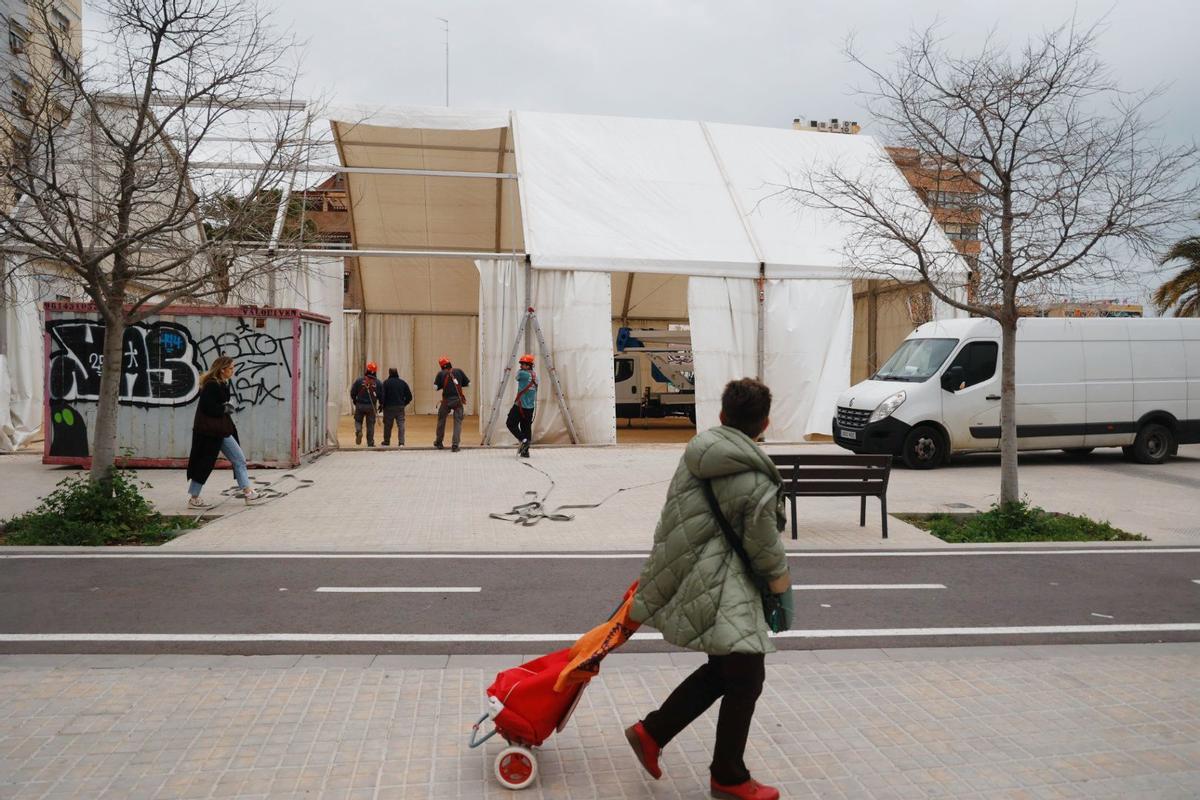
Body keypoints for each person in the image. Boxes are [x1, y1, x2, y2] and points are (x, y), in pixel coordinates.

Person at [623, 378, 794, 800]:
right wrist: (781, 589)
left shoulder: (698, 454)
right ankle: (728, 776)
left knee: (728, 671)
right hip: (727, 585)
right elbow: (764, 546)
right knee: (747, 673)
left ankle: (653, 732)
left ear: (721, 417)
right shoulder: (754, 477)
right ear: (765, 423)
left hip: (695, 575)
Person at [186, 356, 261, 507]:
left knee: (238, 459)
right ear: (222, 369)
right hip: (210, 432)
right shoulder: (212, 385)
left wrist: (225, 407)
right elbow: (208, 408)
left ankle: (248, 492)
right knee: (204, 463)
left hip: (221, 430)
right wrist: (225, 408)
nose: (233, 371)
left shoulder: (221, 384)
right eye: (231, 368)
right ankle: (194, 498)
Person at [433, 356, 470, 452]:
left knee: (441, 420)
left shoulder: (440, 374)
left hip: (446, 401)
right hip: (458, 401)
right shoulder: (459, 371)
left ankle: (439, 442)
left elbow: (435, 387)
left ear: (441, 366)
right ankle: (455, 445)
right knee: (457, 422)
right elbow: (468, 384)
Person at [505, 354, 538, 457]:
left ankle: (523, 440)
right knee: (526, 428)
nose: (521, 366)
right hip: (530, 408)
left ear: (529, 365)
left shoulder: (522, 374)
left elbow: (516, 376)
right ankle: (525, 452)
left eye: (523, 364)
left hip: (519, 406)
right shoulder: (536, 376)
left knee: (510, 423)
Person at [350, 362, 382, 447]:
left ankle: (359, 431)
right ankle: (370, 443)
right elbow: (381, 395)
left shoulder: (359, 381)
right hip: (371, 407)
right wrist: (381, 404)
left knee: (358, 420)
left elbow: (353, 392)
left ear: (367, 369)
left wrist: (354, 400)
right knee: (370, 425)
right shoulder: (378, 383)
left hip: (360, 405)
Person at [380, 367, 413, 446]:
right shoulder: (403, 383)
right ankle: (401, 442)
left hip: (388, 408)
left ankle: (386, 441)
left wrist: (382, 405)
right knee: (401, 425)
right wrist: (404, 403)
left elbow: (382, 396)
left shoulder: (386, 383)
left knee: (388, 426)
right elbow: (409, 397)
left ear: (389, 373)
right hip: (400, 407)